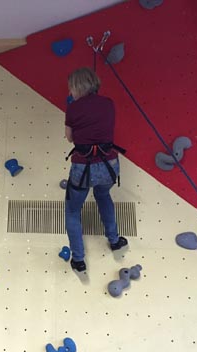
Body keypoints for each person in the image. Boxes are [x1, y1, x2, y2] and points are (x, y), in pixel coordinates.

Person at [64, 67, 128, 272]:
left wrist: (72, 110)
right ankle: (115, 241)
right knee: (103, 196)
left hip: (83, 168)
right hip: (109, 166)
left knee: (73, 211)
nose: (70, 92)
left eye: (71, 88)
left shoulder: (73, 108)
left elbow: (70, 137)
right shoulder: (109, 104)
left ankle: (79, 260)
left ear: (77, 87)